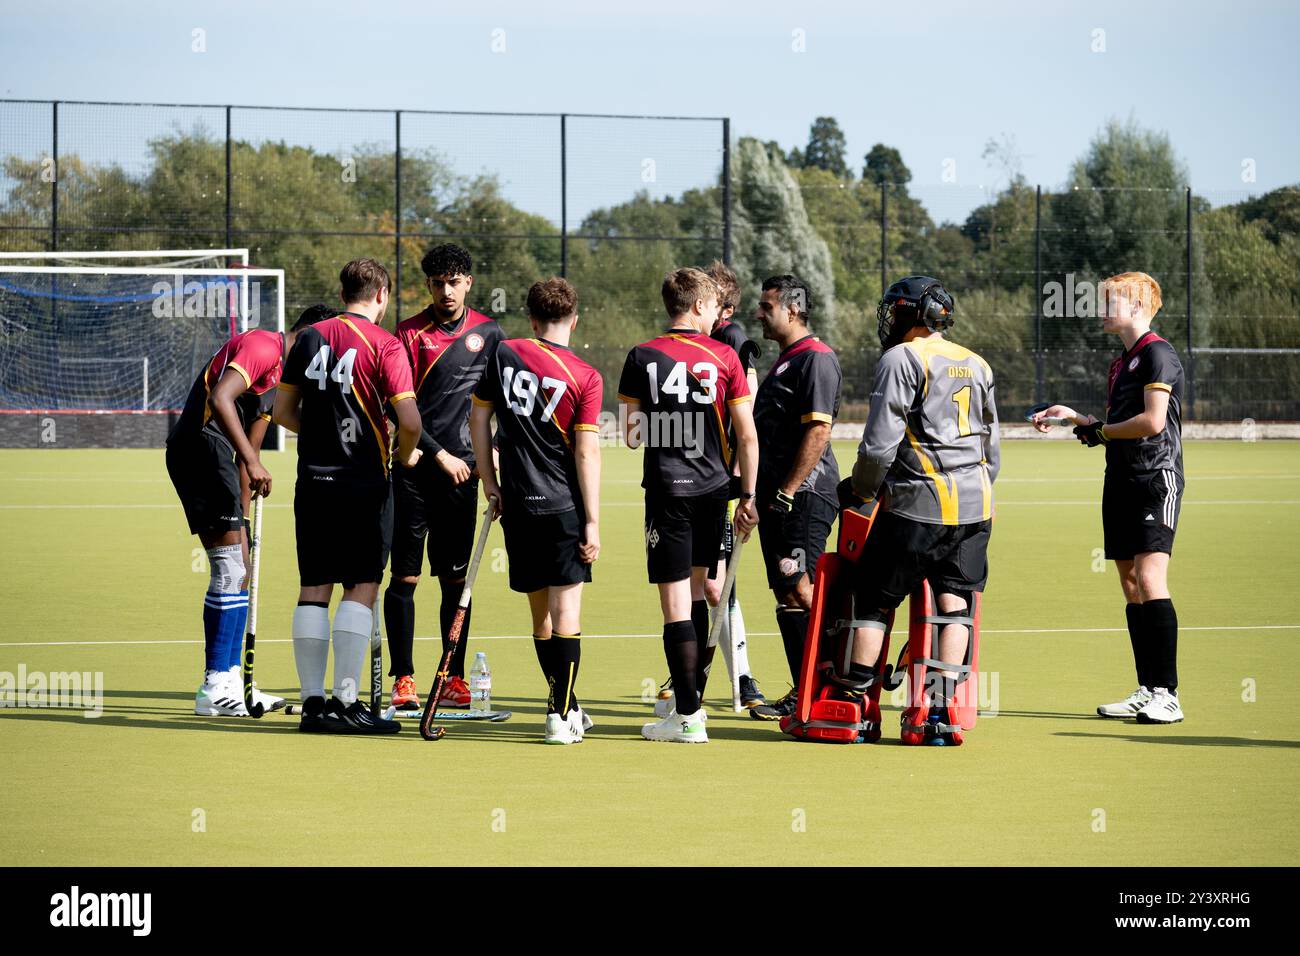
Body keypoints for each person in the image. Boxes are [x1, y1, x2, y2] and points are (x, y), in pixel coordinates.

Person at [842, 276, 999, 744]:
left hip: (918, 505)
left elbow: (878, 446)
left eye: (896, 310)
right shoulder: (977, 362)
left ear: (915, 314)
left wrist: (861, 489)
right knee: (955, 604)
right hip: (975, 507)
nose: (890, 318)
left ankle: (857, 707)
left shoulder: (900, 359)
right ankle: (937, 713)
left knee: (873, 599)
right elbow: (991, 446)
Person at [273, 259, 422, 735]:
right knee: (362, 586)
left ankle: (312, 706)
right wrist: (402, 454)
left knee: (313, 588)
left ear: (343, 291)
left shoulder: (311, 337)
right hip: (363, 485)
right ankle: (346, 701)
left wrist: (320, 437)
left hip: (313, 483)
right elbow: (412, 422)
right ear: (381, 294)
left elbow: (280, 410)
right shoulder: (386, 345)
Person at [1032, 271, 1185, 724]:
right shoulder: (1122, 362)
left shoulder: (1158, 353)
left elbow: (1153, 422)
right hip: (1119, 478)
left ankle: (1169, 695)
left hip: (1155, 478)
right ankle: (1148, 689)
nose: (1101, 309)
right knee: (1131, 583)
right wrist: (1074, 418)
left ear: (1137, 305)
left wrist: (1097, 429)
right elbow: (1114, 428)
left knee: (1151, 576)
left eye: (1110, 301)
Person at [166, 302, 332, 716]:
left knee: (239, 569)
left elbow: (250, 453)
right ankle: (213, 686)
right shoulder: (262, 345)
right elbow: (222, 398)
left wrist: (242, 522)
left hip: (224, 459)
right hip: (198, 448)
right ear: (308, 334)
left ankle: (236, 684)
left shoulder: (282, 381)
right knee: (228, 569)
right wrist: (254, 463)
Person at [618, 267, 759, 743]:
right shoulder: (724, 356)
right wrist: (749, 495)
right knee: (699, 593)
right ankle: (689, 709)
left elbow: (632, 435)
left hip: (667, 491)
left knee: (676, 604)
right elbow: (747, 435)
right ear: (698, 306)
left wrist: (671, 431)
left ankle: (687, 716)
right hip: (715, 491)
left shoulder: (642, 355)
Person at [470, 277, 603, 744]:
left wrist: (490, 483)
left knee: (541, 616)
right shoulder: (585, 376)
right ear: (575, 318)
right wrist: (592, 520)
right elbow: (586, 453)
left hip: (519, 504)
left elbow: (478, 418)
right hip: (564, 506)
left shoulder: (503, 354)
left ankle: (568, 704)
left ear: (530, 317)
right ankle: (558, 716)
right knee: (568, 613)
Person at [385, 244, 504, 714]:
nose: (446, 291)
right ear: (429, 286)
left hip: (465, 475)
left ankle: (452, 677)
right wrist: (438, 456)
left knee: (457, 581)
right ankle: (404, 678)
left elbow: (503, 402)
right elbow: (401, 410)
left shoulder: (491, 334)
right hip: (415, 471)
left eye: (454, 282)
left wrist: (491, 450)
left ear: (468, 283)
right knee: (407, 577)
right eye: (438, 284)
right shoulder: (409, 333)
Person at [655, 259, 772, 716]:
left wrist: (746, 485)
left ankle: (740, 678)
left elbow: (747, 416)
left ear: (718, 307)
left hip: (719, 480)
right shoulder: (690, 344)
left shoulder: (730, 344)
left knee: (717, 585)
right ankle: (692, 675)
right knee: (697, 582)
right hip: (697, 480)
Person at [750, 274, 843, 720]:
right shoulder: (788, 359)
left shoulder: (816, 359)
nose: (759, 313)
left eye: (766, 306)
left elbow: (819, 429)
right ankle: (806, 693)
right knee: (790, 594)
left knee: (802, 591)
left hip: (803, 497)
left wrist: (787, 491)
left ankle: (834, 690)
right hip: (780, 499)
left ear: (792, 309)